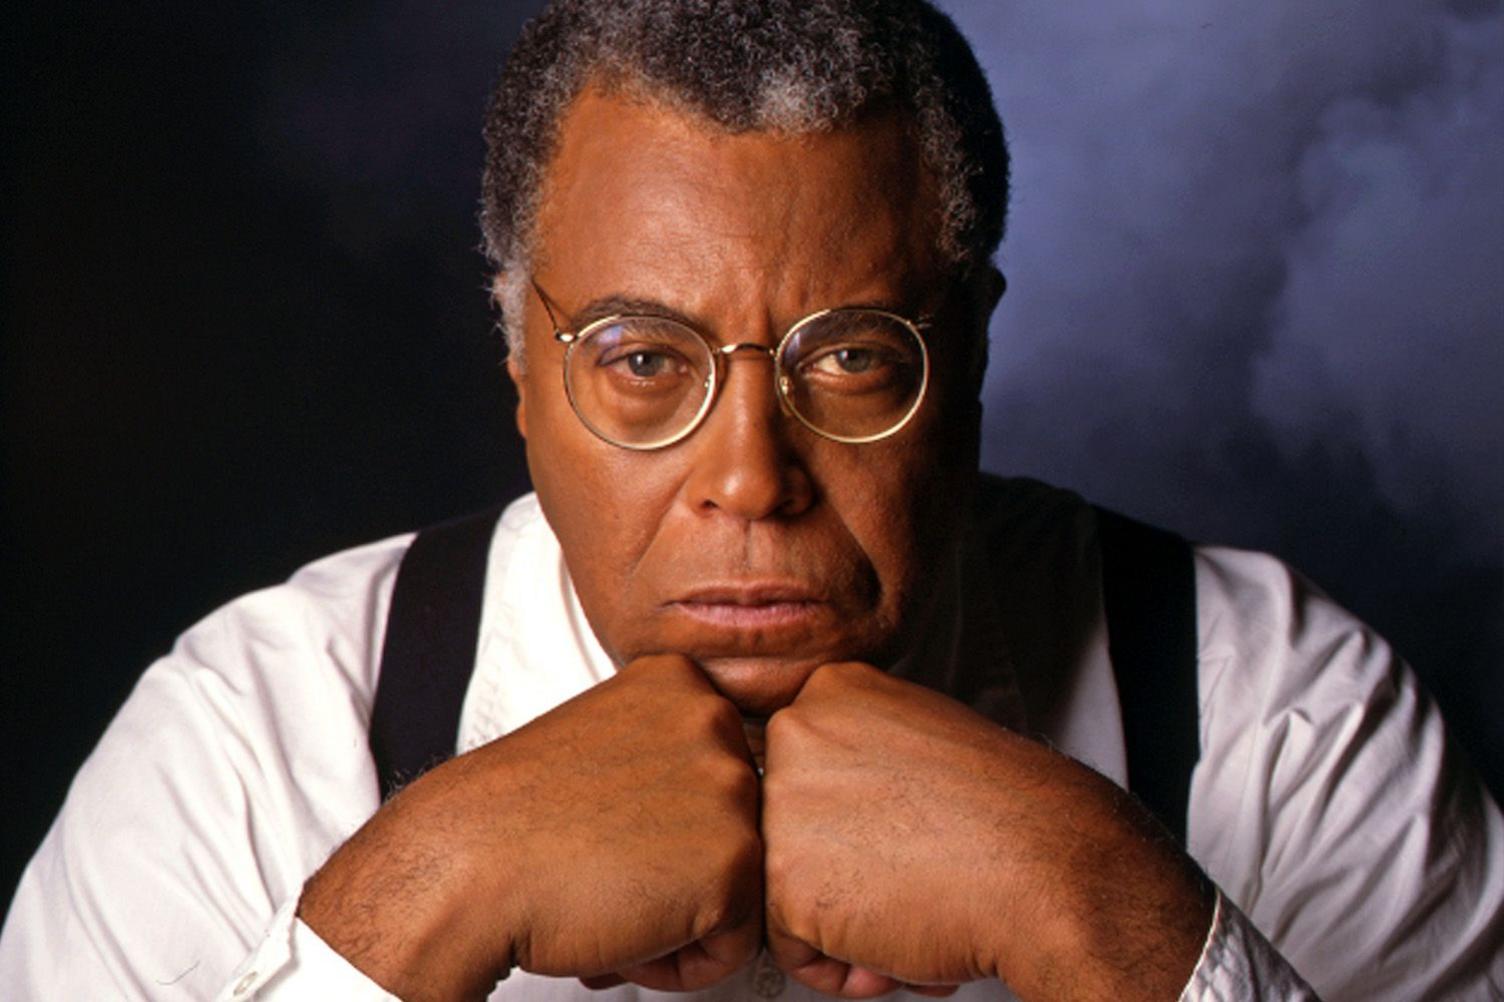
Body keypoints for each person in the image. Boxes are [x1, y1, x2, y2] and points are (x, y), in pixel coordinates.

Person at [2, 1, 1500, 999]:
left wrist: (1106, 905)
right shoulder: (254, 745)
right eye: (641, 359)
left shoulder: (1274, 714)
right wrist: (416, 905)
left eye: (853, 358)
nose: (749, 477)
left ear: (971, 349)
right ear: (519, 367)